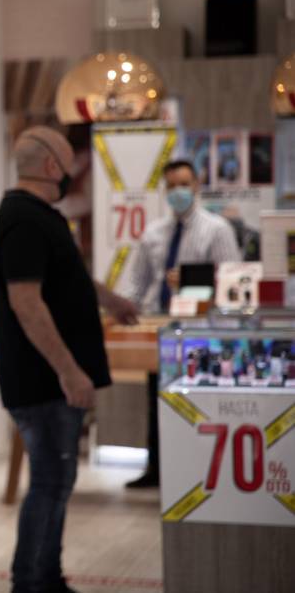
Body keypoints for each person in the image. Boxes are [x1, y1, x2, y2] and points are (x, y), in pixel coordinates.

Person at [0, 126, 138, 593]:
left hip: (49, 382)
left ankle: (46, 578)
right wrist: (70, 371)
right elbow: (27, 303)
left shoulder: (39, 216)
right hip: (43, 383)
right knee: (50, 484)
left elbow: (62, 279)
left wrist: (109, 299)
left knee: (57, 482)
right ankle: (31, 582)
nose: (74, 170)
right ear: (53, 166)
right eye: (70, 160)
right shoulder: (25, 220)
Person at [122, 159, 241, 488]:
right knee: (155, 400)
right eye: (172, 186)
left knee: (192, 402)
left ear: (197, 185)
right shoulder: (153, 233)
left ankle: (195, 472)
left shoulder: (216, 230)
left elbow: (233, 282)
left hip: (201, 331)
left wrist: (191, 281)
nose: (178, 192)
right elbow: (137, 283)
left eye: (184, 184)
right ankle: (156, 469)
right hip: (159, 328)